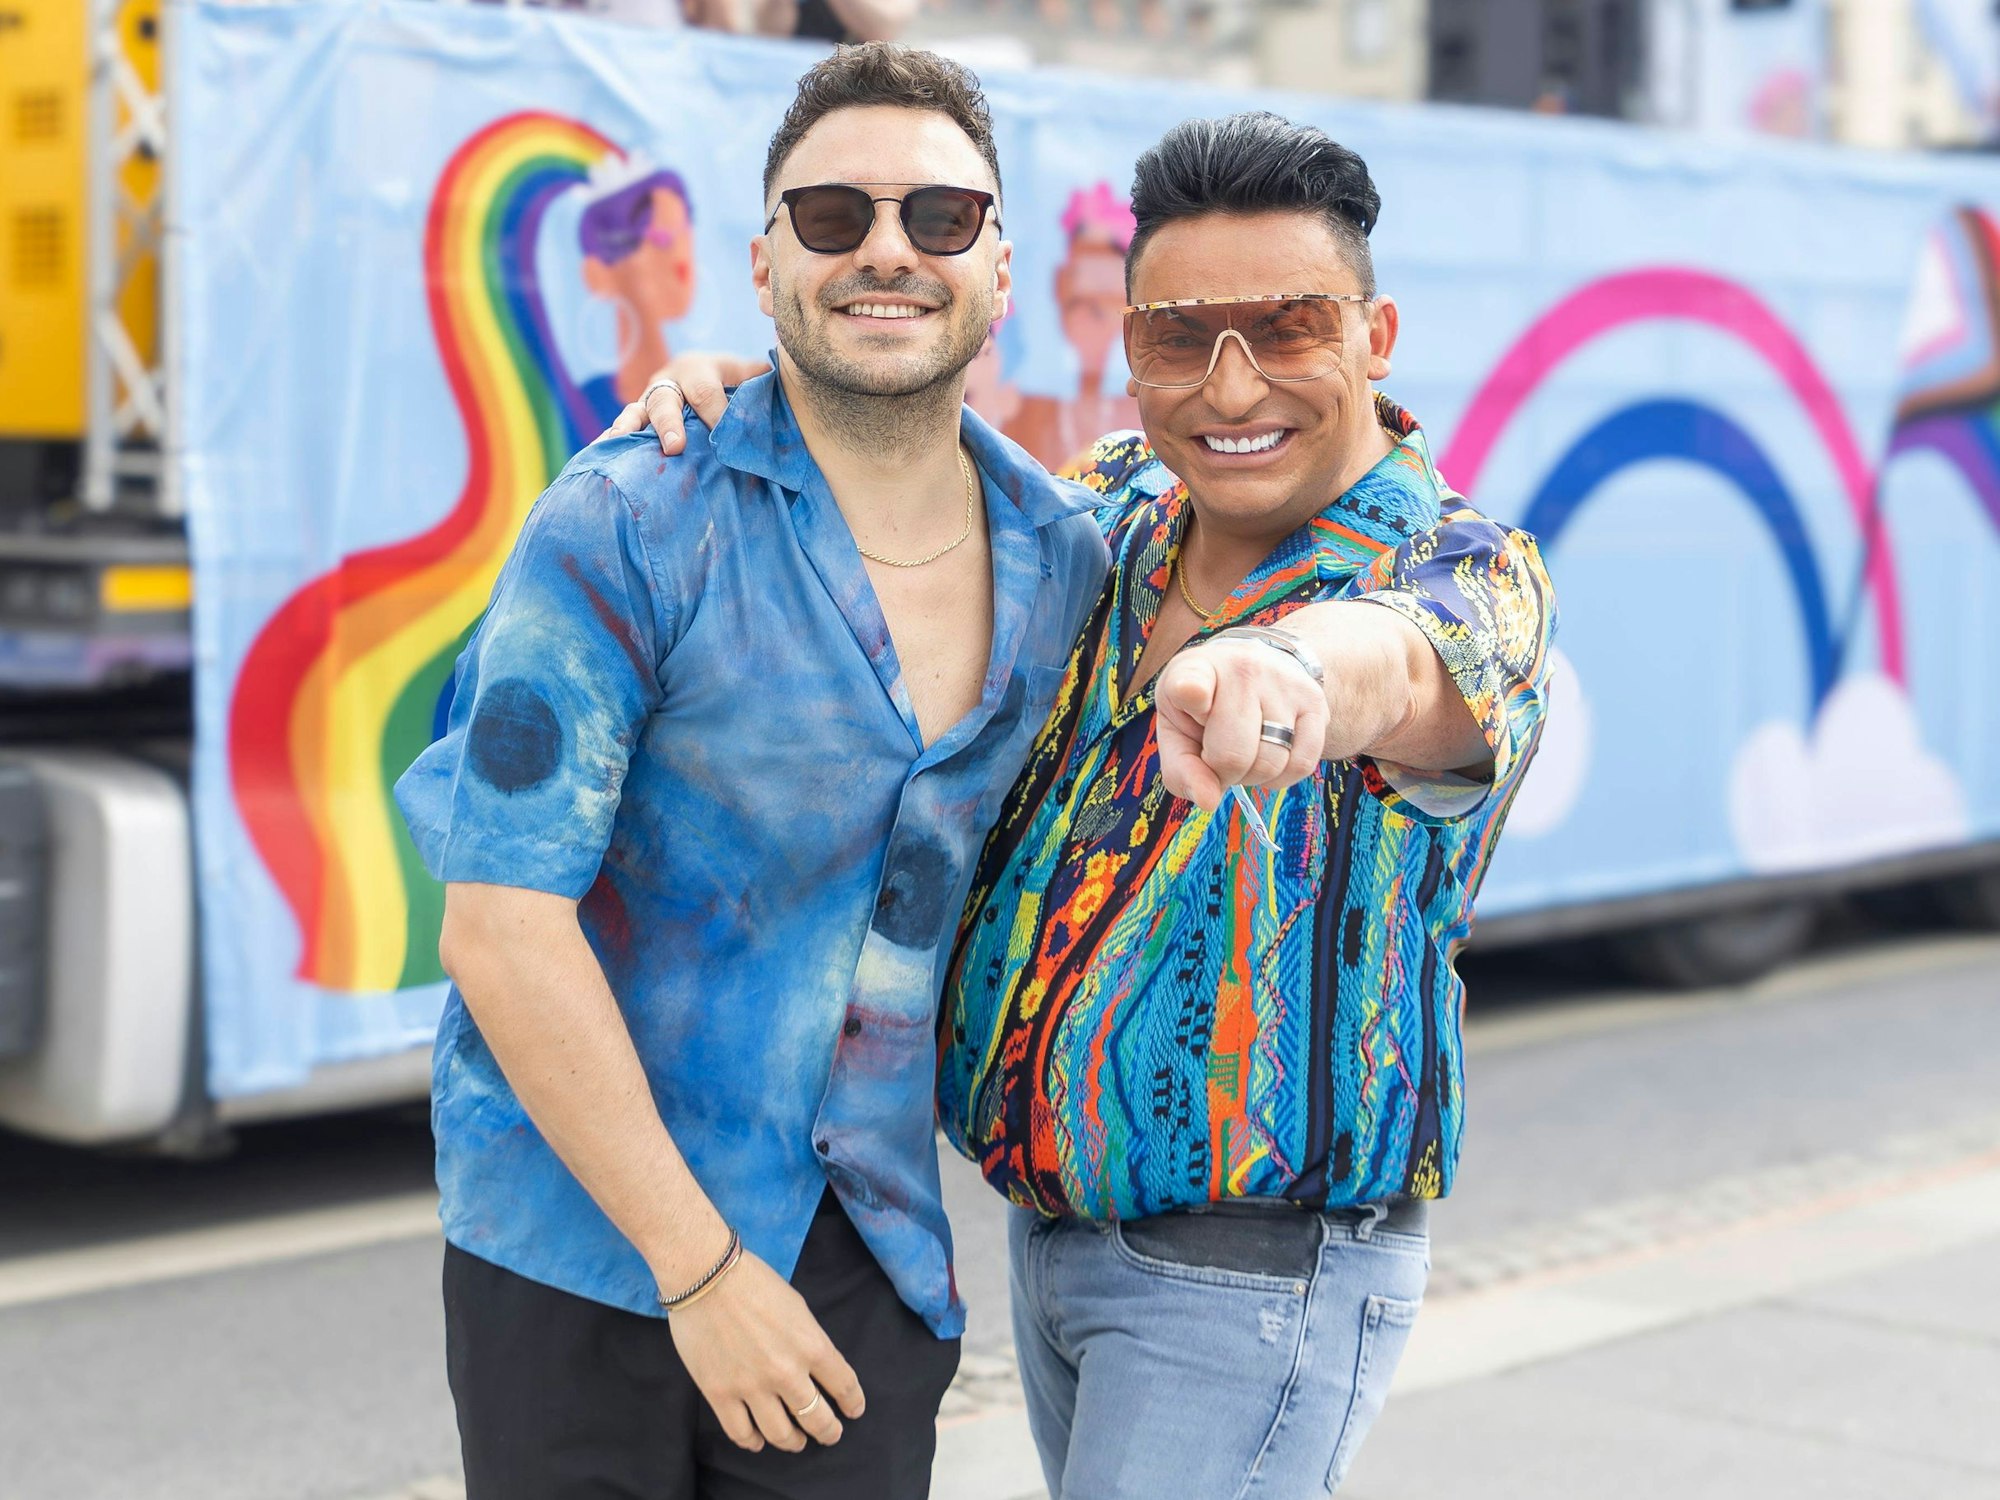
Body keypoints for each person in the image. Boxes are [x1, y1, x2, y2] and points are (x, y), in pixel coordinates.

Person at [619, 111, 1557, 1496]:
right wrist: (755, 404)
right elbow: (893, 493)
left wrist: (1283, 662)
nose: (1230, 390)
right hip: (1047, 1244)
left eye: (1287, 328)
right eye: (1180, 339)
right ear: (1128, 350)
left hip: (1251, 1276)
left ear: (1376, 335)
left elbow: (1401, 668)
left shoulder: (1466, 570)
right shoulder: (1112, 509)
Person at [394, 45, 1129, 1500]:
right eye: (834, 214)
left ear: (997, 262)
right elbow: (498, 923)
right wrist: (700, 1269)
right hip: (580, 1246)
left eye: (936, 217)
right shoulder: (631, 522)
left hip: (865, 1249)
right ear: (763, 258)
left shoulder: (1068, 563)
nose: (885, 252)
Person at [1004, 182, 1141, 469]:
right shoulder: (1025, 412)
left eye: (1109, 306)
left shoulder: (1152, 416)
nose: (1093, 324)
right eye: (1082, 305)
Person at [575, 155, 697, 423]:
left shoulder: (722, 394)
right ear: (598, 275)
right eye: (661, 240)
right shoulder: (576, 411)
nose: (681, 261)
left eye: (683, 235)